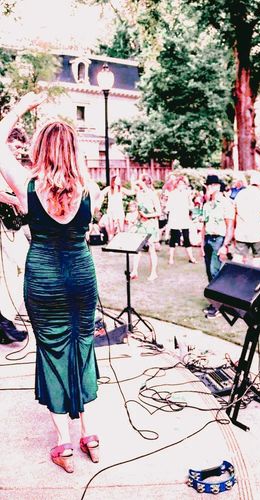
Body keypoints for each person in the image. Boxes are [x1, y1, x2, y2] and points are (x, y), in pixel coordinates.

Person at [0, 92, 105, 472]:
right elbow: (63, 212)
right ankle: (88, 435)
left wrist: (22, 106)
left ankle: (62, 444)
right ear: (74, 150)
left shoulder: (29, 183)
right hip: (80, 275)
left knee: (53, 349)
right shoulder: (90, 188)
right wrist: (17, 202)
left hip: (44, 278)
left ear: (41, 148)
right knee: (82, 345)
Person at [230, 172, 260, 267]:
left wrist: (234, 229)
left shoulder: (241, 194)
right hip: (258, 234)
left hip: (242, 233)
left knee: (238, 260)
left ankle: (235, 279)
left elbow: (235, 213)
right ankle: (256, 281)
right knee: (258, 261)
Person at [200, 175, 233, 317]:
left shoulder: (226, 203)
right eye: (208, 185)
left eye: (212, 185)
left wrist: (225, 245)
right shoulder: (207, 205)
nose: (209, 188)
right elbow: (204, 225)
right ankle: (215, 302)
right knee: (209, 271)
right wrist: (201, 244)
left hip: (219, 239)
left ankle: (219, 305)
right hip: (208, 238)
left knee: (215, 271)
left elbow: (230, 226)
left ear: (218, 187)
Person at [131, 174, 161, 281]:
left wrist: (146, 216)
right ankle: (134, 271)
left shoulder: (153, 195)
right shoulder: (139, 194)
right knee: (137, 248)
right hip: (141, 224)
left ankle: (153, 273)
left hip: (151, 224)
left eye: (142, 182)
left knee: (151, 249)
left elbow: (159, 212)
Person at [163, 176, 196, 265]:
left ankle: (191, 258)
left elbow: (191, 206)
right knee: (173, 238)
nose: (181, 185)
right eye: (179, 184)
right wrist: (166, 210)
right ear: (176, 185)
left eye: (183, 184)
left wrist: (190, 203)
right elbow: (169, 205)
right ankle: (171, 258)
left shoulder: (187, 194)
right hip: (175, 218)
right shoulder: (172, 193)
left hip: (184, 218)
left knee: (186, 237)